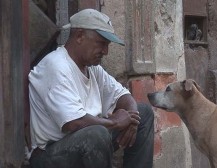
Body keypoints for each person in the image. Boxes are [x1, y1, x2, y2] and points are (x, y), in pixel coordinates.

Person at [28, 8, 154, 168]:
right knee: (96, 134)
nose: (106, 51)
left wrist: (133, 118)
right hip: (50, 155)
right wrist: (114, 123)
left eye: (107, 45)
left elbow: (122, 95)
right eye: (101, 43)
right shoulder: (55, 66)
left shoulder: (92, 68)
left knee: (143, 113)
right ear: (79, 36)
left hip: (85, 139)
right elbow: (74, 123)